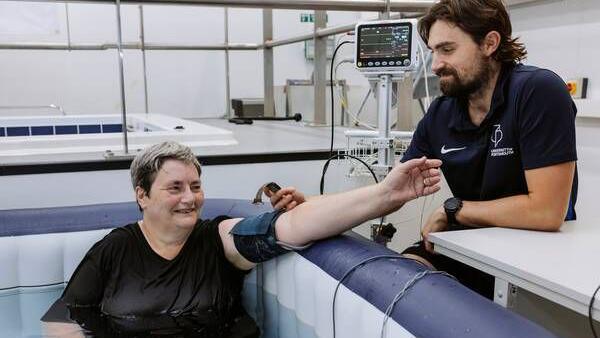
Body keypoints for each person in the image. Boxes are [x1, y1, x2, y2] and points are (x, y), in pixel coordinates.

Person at [48, 141, 441, 336]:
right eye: (174, 188)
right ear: (142, 195)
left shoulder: (216, 241)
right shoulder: (114, 251)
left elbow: (288, 228)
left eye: (196, 185)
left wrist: (385, 195)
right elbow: (62, 320)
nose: (190, 198)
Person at [397, 0, 578, 299]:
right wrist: (312, 207)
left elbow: (546, 212)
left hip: (533, 259)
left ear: (490, 43)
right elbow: (393, 190)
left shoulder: (538, 91)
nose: (436, 64)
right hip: (467, 246)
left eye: (447, 49)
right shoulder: (441, 112)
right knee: (397, 283)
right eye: (433, 52)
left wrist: (452, 210)